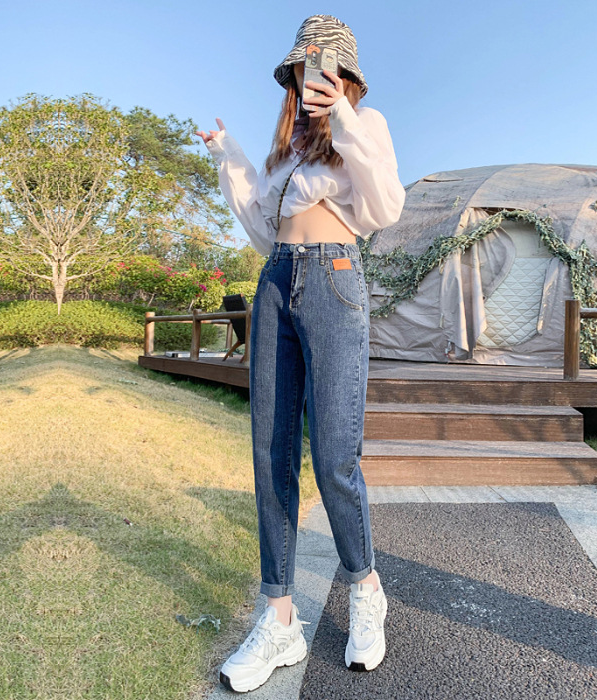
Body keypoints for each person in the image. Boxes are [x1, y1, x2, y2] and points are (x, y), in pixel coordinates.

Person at [196, 14, 406, 694]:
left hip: (335, 280)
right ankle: (279, 616)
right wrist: (229, 155)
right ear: (291, 76)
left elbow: (386, 206)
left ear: (345, 77)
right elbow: (264, 229)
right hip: (276, 281)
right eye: (303, 70)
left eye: (325, 69)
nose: (311, 79)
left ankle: (366, 588)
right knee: (271, 453)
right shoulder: (285, 148)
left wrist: (341, 116)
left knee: (336, 455)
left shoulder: (364, 127)